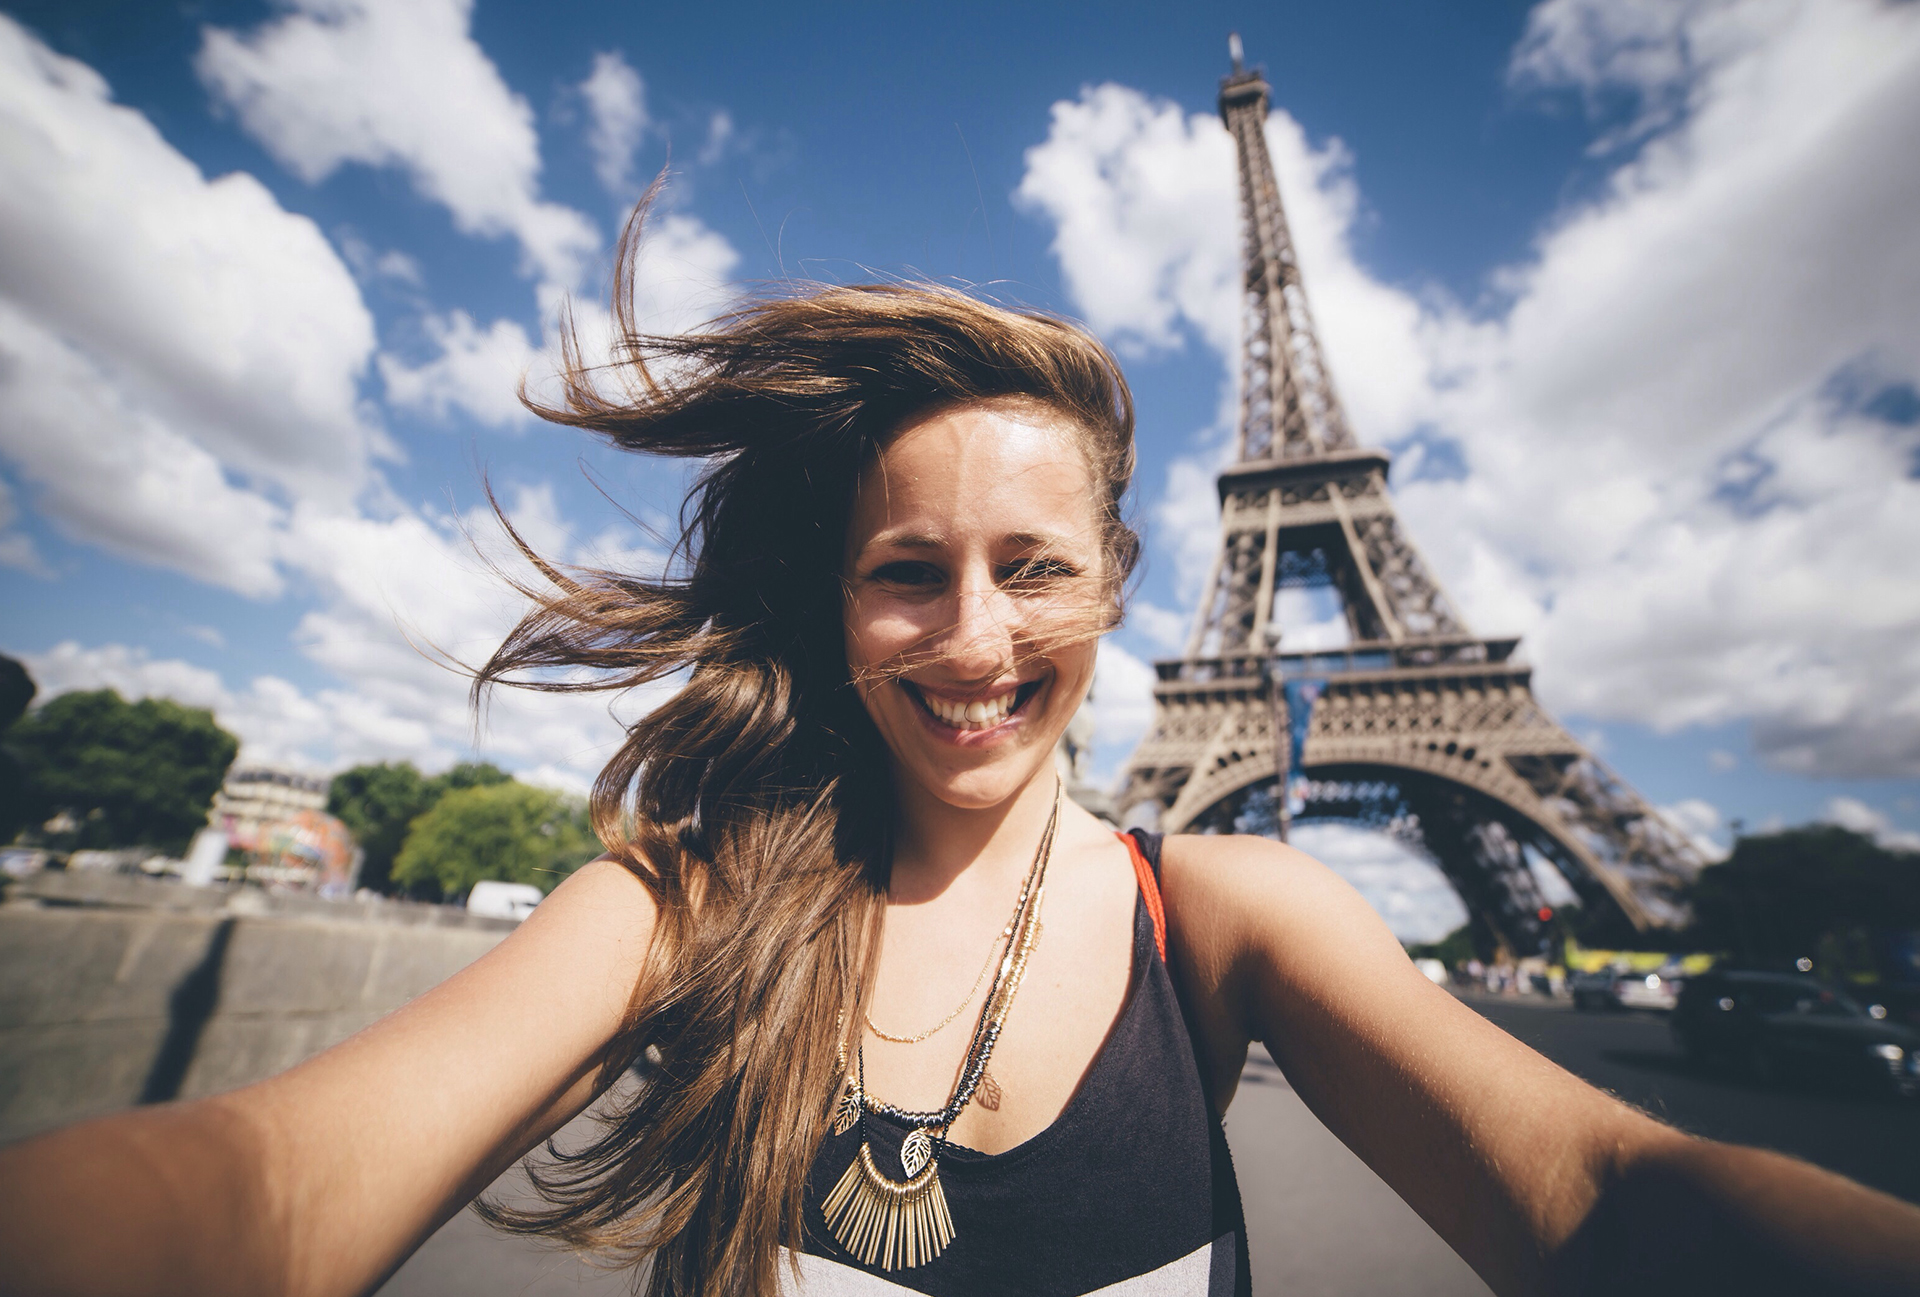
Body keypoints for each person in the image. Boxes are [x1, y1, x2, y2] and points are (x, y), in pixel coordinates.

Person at [3, 203, 1919, 1297]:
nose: (978, 637)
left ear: (1123, 589)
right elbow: (262, 1189)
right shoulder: (690, 901)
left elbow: (1601, 1184)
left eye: (1034, 571)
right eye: (907, 573)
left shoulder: (1228, 914)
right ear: (834, 609)